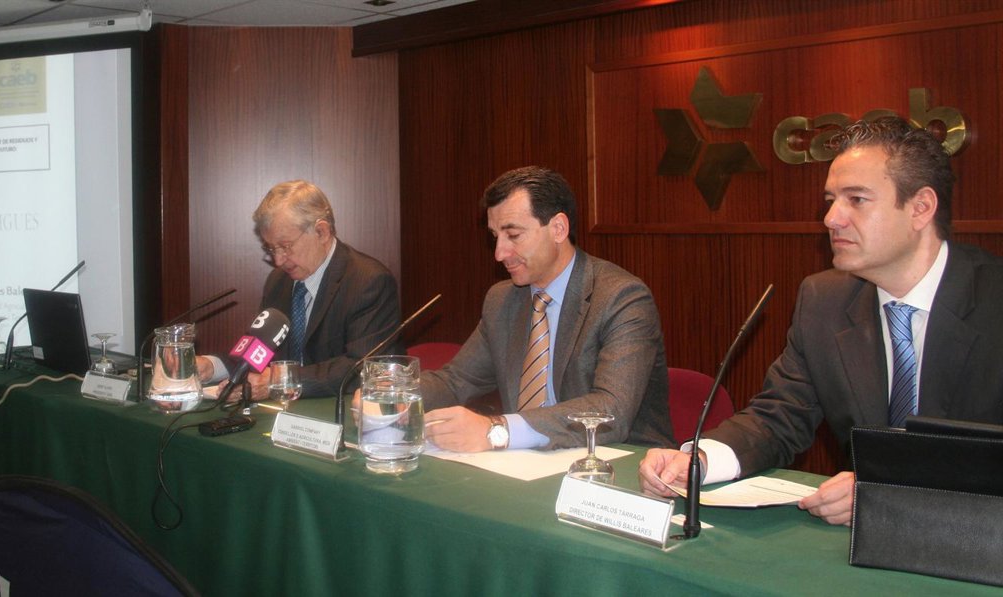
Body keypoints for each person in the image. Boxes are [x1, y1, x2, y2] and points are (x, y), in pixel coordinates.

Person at [638, 117, 1003, 526]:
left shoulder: (993, 301)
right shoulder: (825, 299)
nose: (831, 218)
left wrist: (890, 490)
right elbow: (779, 416)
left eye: (856, 199)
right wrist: (699, 459)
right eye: (831, 199)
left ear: (920, 208)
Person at [409, 166, 673, 452]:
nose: (499, 253)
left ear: (558, 228)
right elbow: (457, 381)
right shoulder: (502, 300)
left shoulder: (620, 297)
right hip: (527, 464)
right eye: (495, 236)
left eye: (513, 235)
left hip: (621, 462)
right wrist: (395, 396)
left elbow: (611, 411)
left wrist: (497, 430)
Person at [197, 180, 403, 399]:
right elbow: (258, 353)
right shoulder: (278, 281)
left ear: (321, 232)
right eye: (271, 248)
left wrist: (281, 381)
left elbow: (364, 367)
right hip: (281, 412)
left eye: (285, 246)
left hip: (337, 411)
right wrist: (211, 366)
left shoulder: (368, 281)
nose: (278, 260)